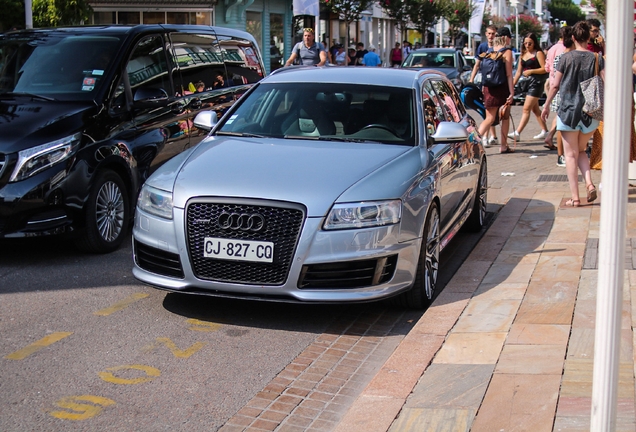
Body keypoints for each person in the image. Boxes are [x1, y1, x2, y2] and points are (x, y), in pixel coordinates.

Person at [541, 21, 603, 207]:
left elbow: (555, 85)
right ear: (588, 37)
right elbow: (607, 82)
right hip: (590, 113)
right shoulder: (597, 58)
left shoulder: (565, 58)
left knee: (570, 155)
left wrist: (546, 105)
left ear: (574, 38)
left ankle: (575, 198)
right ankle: (590, 184)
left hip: (568, 112)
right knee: (581, 150)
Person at [477, 35, 515, 154]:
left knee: (489, 118)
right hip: (501, 87)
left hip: (489, 88)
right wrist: (512, 92)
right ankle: (503, 146)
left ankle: (473, 142)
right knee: (505, 116)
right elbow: (509, 74)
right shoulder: (507, 52)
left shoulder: (489, 52)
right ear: (505, 39)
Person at [508, 32, 549, 141]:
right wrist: (512, 85)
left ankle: (517, 132)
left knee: (526, 108)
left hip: (536, 83)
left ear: (534, 43)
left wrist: (531, 71)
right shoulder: (523, 54)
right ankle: (545, 131)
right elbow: (518, 72)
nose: (527, 45)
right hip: (527, 84)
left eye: (529, 43)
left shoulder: (538, 53)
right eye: (525, 43)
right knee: (535, 110)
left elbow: (544, 68)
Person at [544, 26, 574, 167]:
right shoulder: (570, 56)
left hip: (558, 94)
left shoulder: (557, 55)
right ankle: (563, 155)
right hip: (568, 96)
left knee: (561, 126)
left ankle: (562, 155)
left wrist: (547, 104)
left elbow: (552, 77)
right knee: (563, 127)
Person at [470, 25, 498, 146]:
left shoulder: (499, 48)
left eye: (494, 34)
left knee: (491, 113)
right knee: (487, 113)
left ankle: (493, 136)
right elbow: (477, 64)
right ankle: (482, 138)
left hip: (496, 84)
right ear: (486, 34)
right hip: (486, 83)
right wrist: (471, 80)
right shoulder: (483, 47)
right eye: (489, 33)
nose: (491, 36)